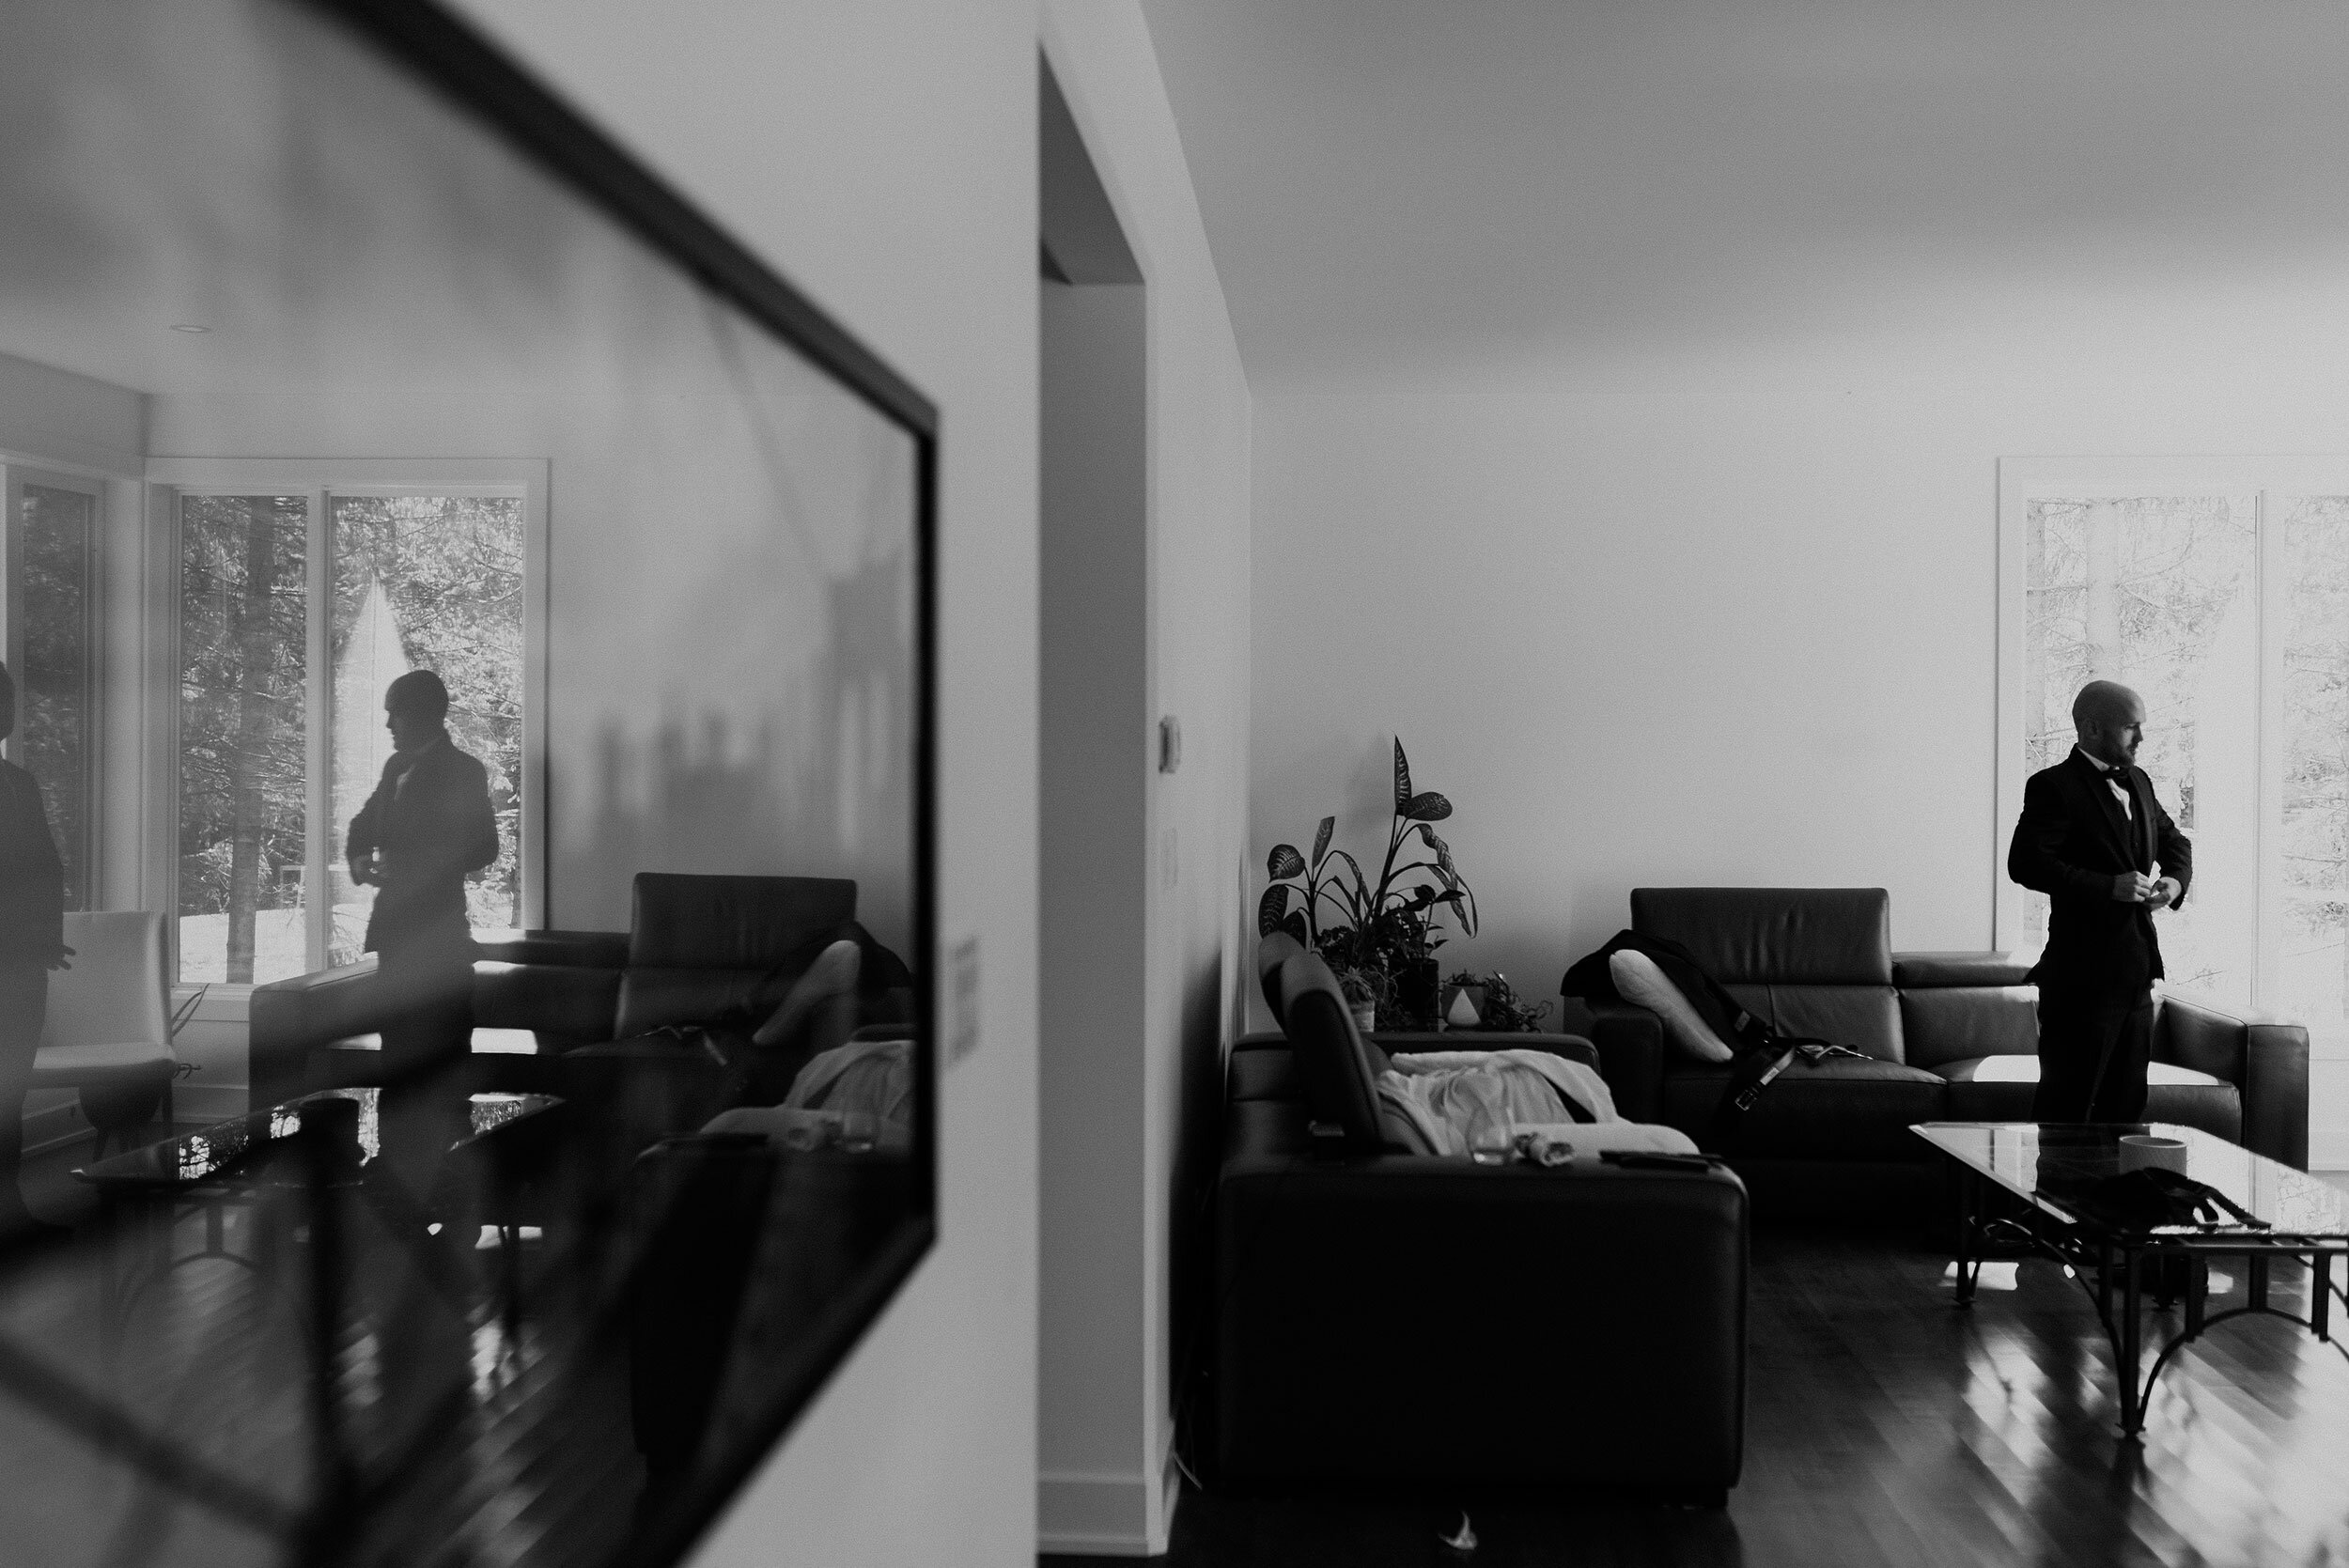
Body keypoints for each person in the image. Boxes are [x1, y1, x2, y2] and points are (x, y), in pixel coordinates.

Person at [2007, 679, 2193, 1124]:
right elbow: (2026, 864)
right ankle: (2054, 1196)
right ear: (2091, 729)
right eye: (2131, 727)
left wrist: (2173, 883)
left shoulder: (2141, 782)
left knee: (2126, 1114)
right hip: (2079, 982)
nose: (2141, 738)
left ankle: (2120, 1196)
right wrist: (2105, 885)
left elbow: (2175, 843)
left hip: (2137, 977)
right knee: (2066, 1113)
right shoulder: (2053, 786)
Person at [345, 670, 499, 1094]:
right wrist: (359, 859)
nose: (389, 725)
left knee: (441, 1068)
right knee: (396, 1065)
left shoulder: (464, 771)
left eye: (395, 714)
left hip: (439, 943)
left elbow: (483, 847)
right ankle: (392, 1160)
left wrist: (414, 865)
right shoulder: (395, 766)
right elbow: (363, 824)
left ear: (424, 715)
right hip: (393, 938)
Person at [0, 663, 67, 1237]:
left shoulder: (19, 783)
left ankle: (9, 1212)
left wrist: (47, 938)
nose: (10, 712)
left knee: (10, 1092)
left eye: (10, 701)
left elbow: (45, 867)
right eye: (3, 701)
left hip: (22, 966)